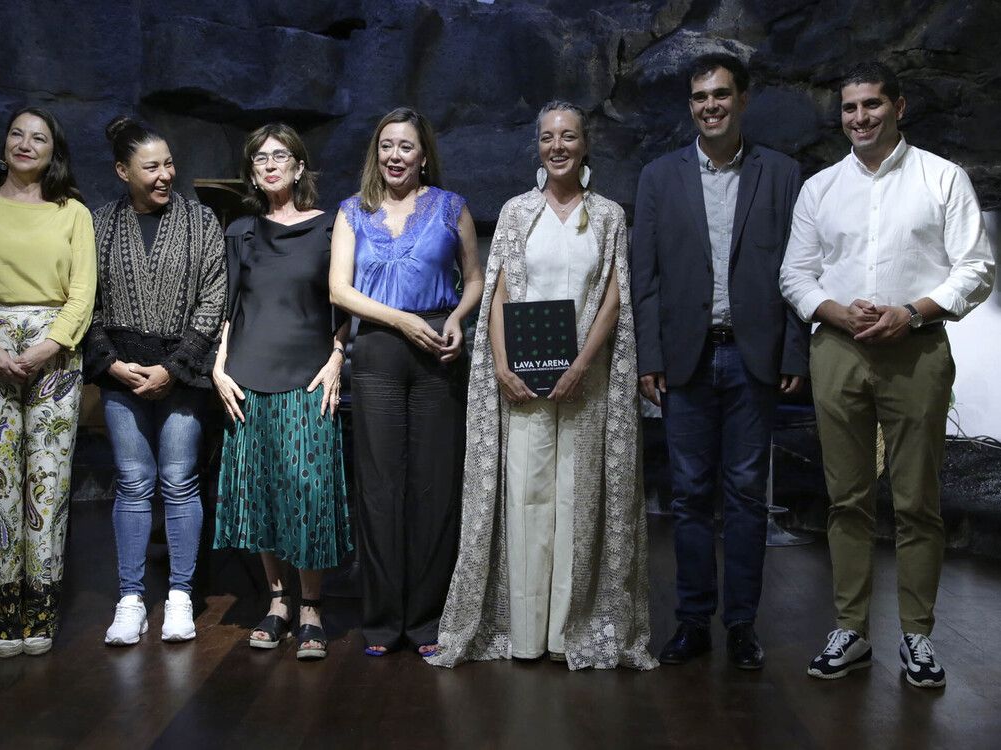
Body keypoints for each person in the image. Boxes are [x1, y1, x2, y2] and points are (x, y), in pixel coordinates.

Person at [779, 61, 995, 688]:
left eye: (871, 105)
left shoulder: (942, 178)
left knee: (917, 502)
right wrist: (839, 312)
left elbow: (974, 269)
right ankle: (850, 630)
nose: (860, 118)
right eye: (849, 108)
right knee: (845, 498)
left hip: (917, 350)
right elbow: (796, 274)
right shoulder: (820, 188)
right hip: (838, 349)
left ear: (899, 107)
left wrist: (911, 312)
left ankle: (918, 637)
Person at [431, 101, 657, 670]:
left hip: (588, 381)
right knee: (527, 499)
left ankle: (570, 630)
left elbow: (613, 296)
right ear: (538, 145)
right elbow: (501, 293)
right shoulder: (516, 212)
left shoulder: (606, 214)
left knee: (576, 501)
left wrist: (582, 363)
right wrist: (503, 367)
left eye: (569, 136)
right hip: (524, 385)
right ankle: (525, 633)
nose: (557, 146)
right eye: (548, 137)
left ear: (584, 145)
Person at [630, 53, 808, 670]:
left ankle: (741, 625)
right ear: (690, 105)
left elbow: (797, 271)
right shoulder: (659, 177)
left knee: (747, 497)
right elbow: (644, 278)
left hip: (754, 360)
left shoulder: (782, 175)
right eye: (701, 96)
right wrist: (648, 358)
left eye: (722, 94)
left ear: (743, 99)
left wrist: (793, 350)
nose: (711, 105)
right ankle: (693, 622)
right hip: (686, 361)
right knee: (688, 496)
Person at [328, 107, 483, 657]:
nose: (395, 156)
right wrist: (399, 320)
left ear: (423, 156)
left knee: (434, 487)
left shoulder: (451, 207)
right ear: (377, 153)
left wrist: (459, 319)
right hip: (377, 355)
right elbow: (339, 292)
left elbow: (475, 278)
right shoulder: (352, 212)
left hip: (439, 350)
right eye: (387, 146)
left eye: (406, 147)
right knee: (379, 488)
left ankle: (427, 622)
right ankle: (381, 621)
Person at [0, 106, 95, 658]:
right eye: (17, 134)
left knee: (48, 483)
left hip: (54, 353)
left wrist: (48, 345)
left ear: (54, 152)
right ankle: (4, 613)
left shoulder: (72, 213)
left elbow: (82, 292)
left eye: (39, 138)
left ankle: (43, 611)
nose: (26, 144)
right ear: (3, 143)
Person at [212, 123, 353, 661]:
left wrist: (339, 357)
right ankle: (277, 603)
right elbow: (229, 309)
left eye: (280, 156)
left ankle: (312, 606)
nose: (270, 165)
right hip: (247, 377)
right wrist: (220, 368)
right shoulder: (241, 231)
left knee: (309, 491)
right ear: (252, 172)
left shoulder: (330, 227)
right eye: (260, 159)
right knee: (265, 491)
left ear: (299, 167)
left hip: (310, 375)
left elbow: (345, 308)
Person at [86, 116, 227, 646]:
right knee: (132, 481)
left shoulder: (201, 222)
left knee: (179, 479)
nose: (166, 174)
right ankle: (130, 598)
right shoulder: (100, 225)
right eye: (152, 167)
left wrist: (175, 366)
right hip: (121, 374)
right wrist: (111, 364)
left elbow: (214, 298)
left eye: (169, 164)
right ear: (123, 171)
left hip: (183, 375)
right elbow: (86, 301)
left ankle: (180, 596)